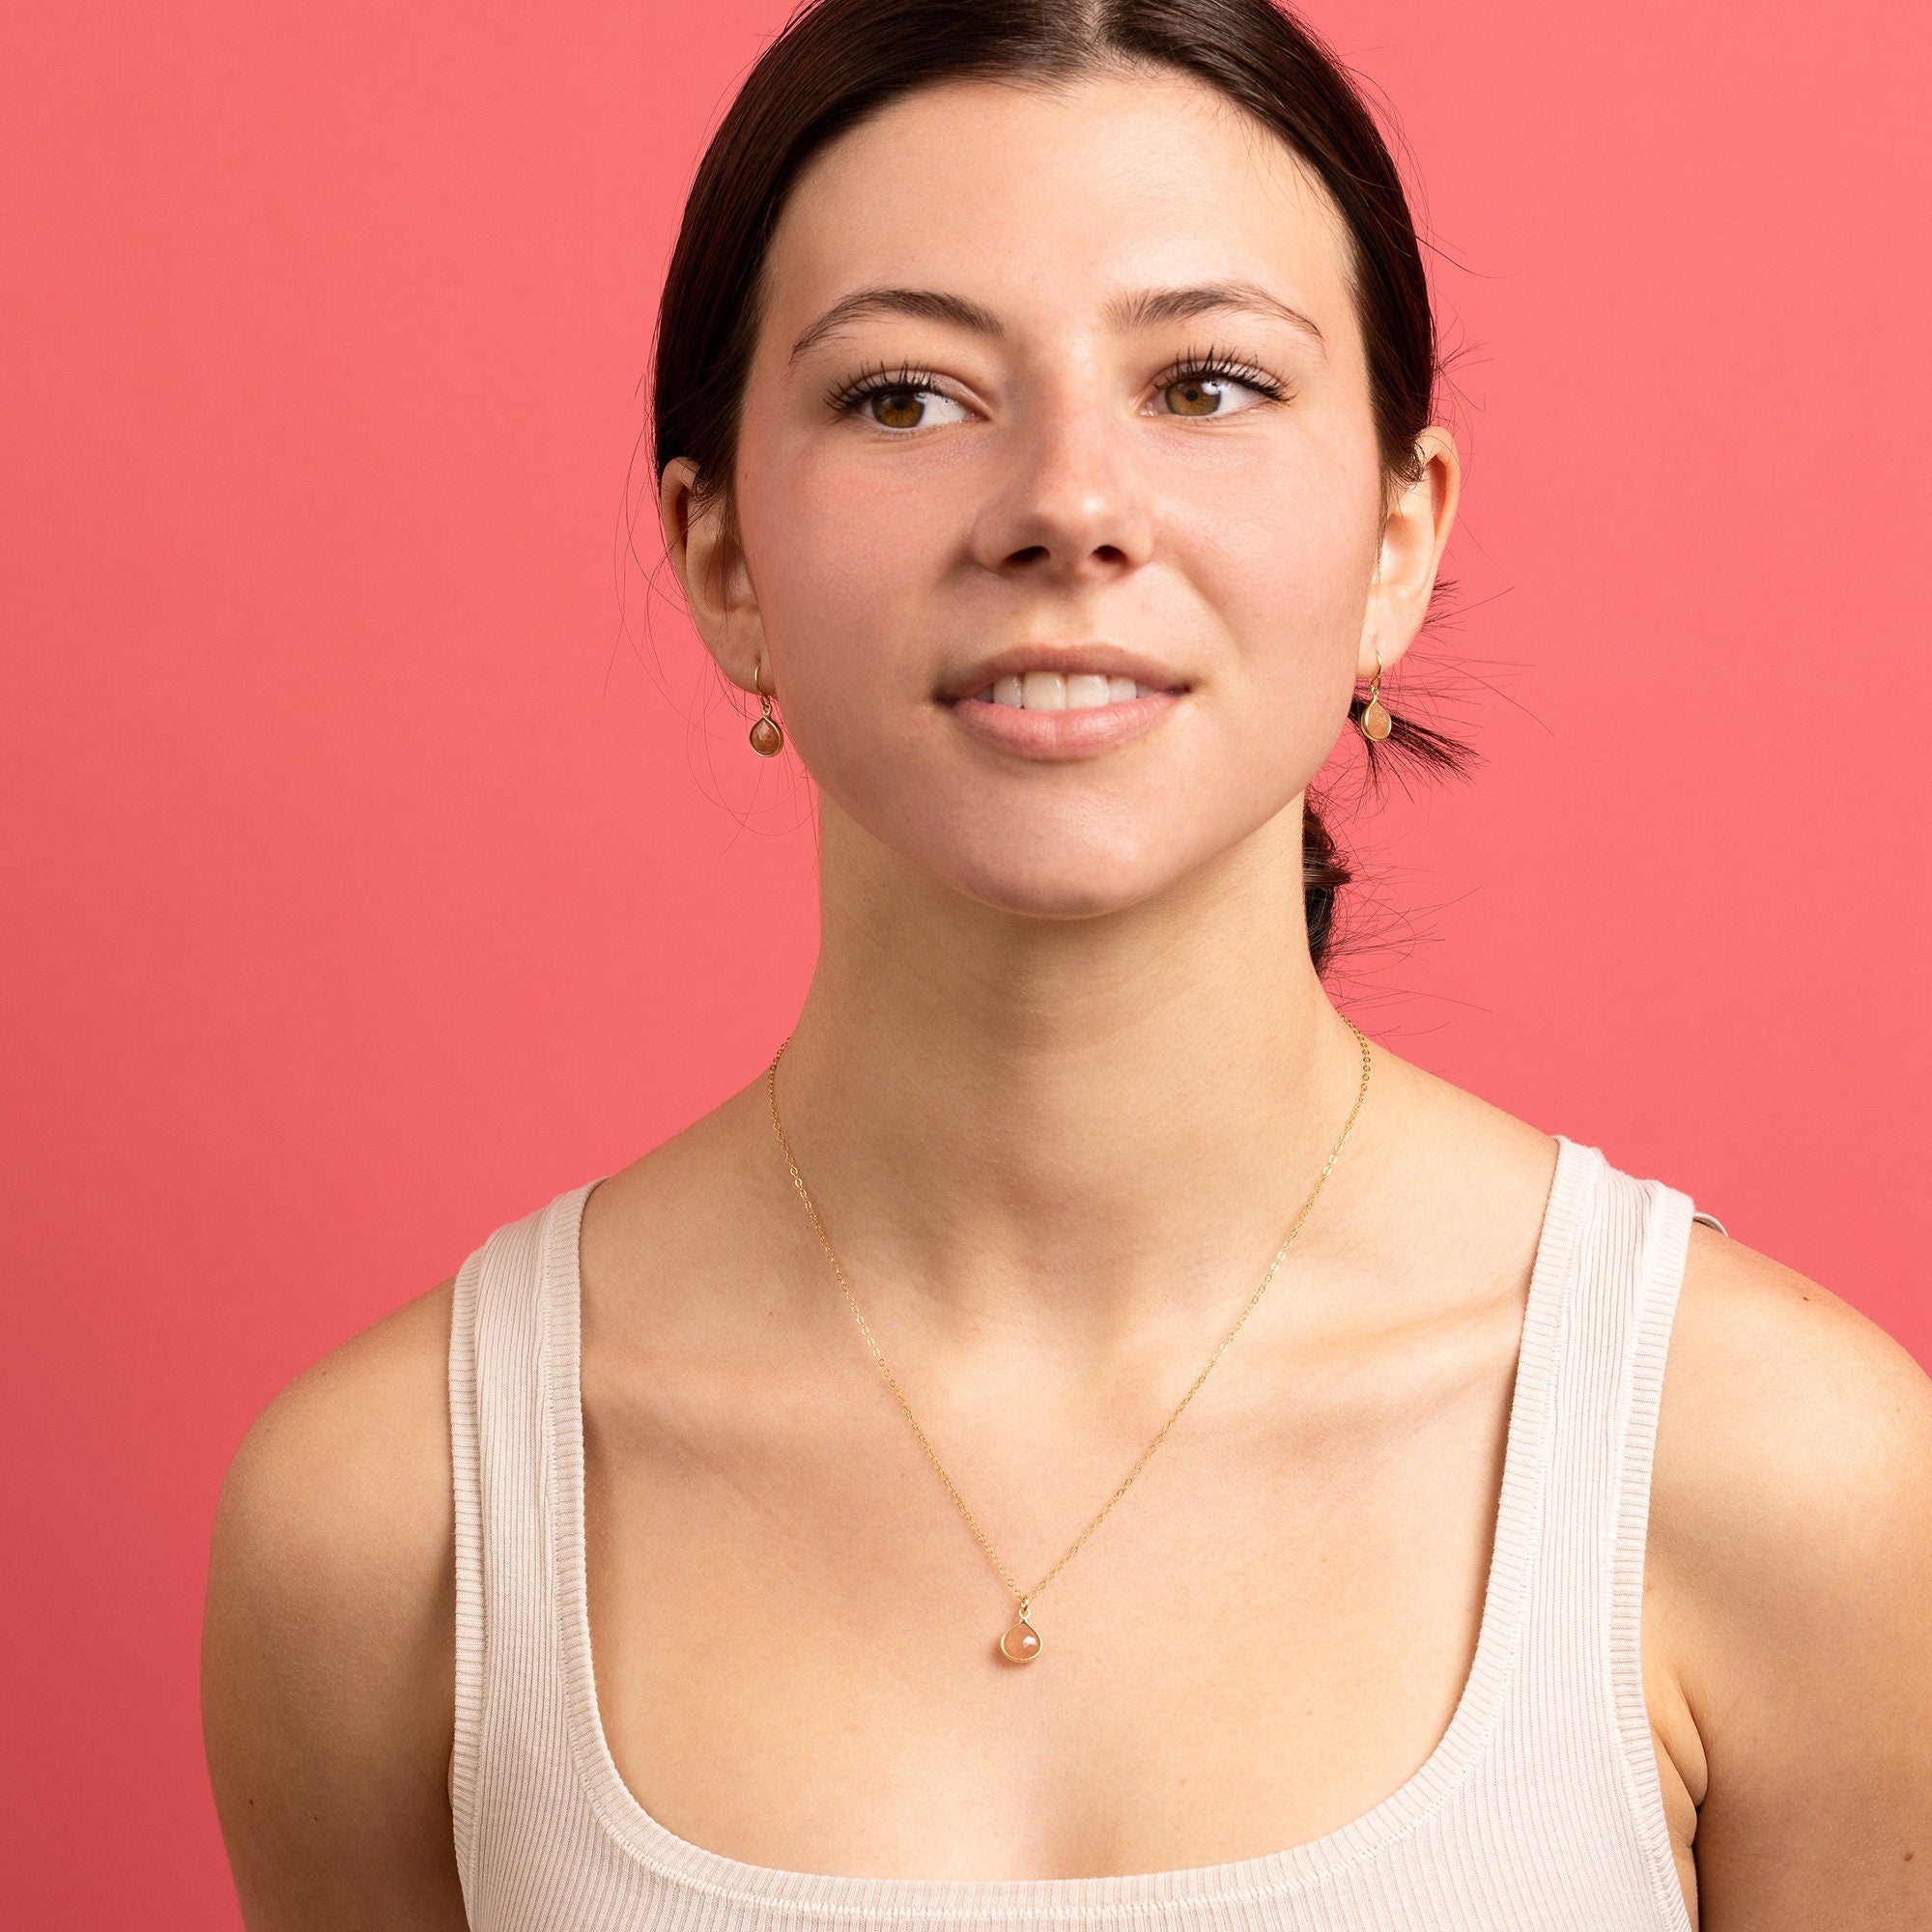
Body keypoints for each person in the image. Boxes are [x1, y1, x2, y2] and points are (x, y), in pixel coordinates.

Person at [199, 2, 1932, 1926]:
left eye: (1203, 384)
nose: (1069, 509)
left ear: (1398, 534)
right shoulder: (392, 1527)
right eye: (907, 398)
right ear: (721, 561)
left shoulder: (1773, 1469)